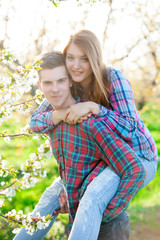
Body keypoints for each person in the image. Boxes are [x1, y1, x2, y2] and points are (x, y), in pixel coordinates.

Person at [28, 29, 158, 238]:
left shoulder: (112, 78)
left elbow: (131, 128)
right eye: (70, 58)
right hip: (104, 157)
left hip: (139, 155)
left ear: (94, 59)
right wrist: (61, 114)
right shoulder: (68, 82)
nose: (76, 65)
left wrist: (94, 107)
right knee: (51, 198)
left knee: (93, 198)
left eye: (84, 59)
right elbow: (35, 122)